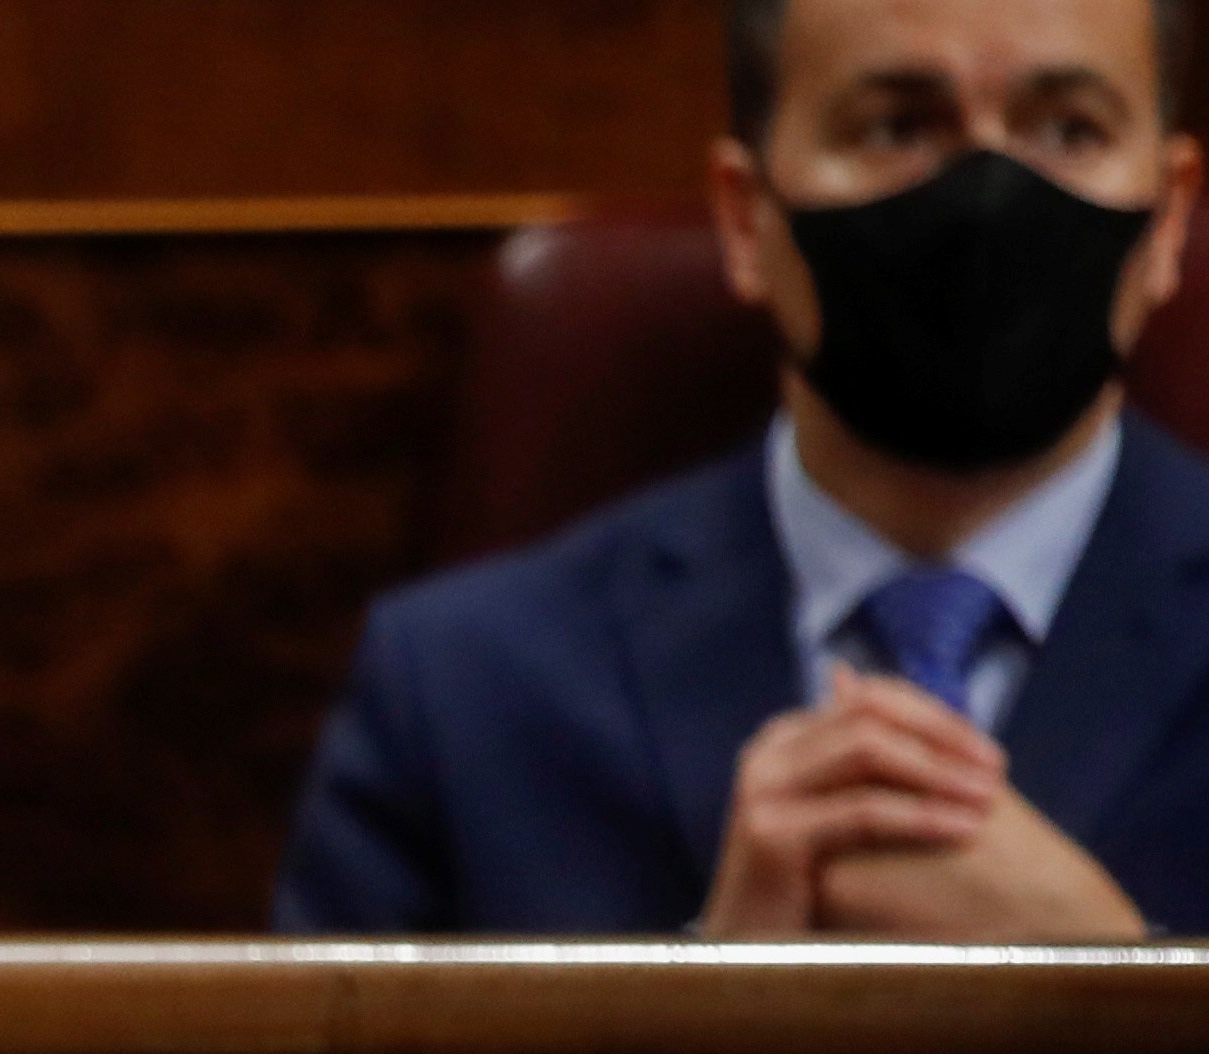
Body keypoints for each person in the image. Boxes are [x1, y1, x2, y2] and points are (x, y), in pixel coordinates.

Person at [280, 0, 1209, 936]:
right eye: (896, 126)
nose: (985, 195)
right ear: (744, 215)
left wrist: (1118, 980)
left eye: (1069, 131)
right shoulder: (459, 691)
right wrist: (716, 1005)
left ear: (1170, 218)